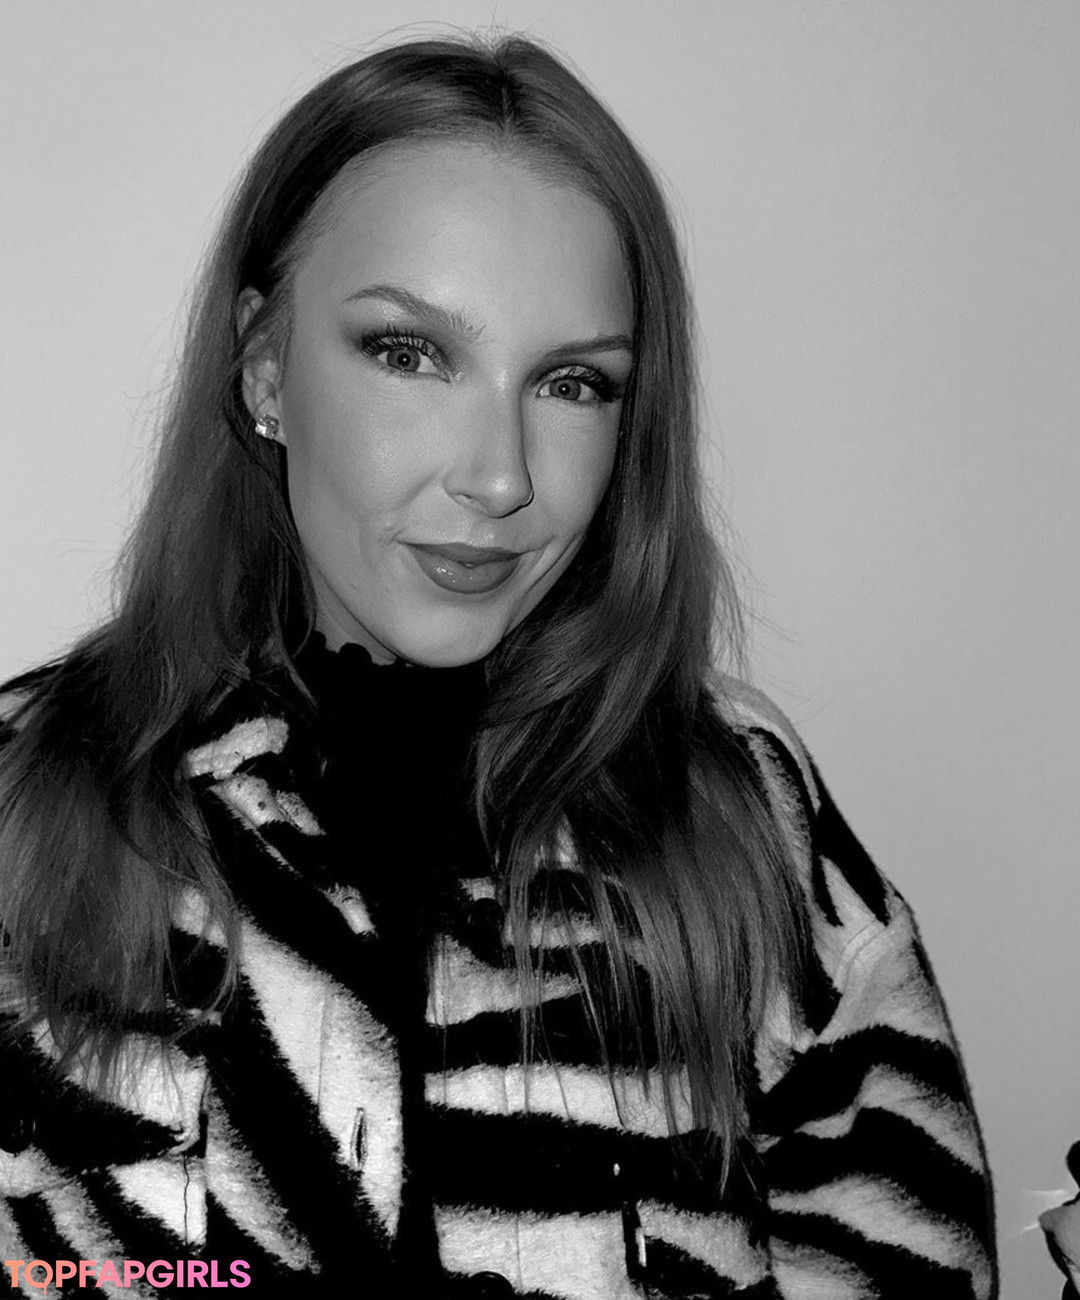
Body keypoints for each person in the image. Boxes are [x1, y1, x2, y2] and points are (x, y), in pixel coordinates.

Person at [0, 33, 997, 1299]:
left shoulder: (740, 813)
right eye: (409, 353)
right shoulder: (30, 802)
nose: (501, 476)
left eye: (573, 382)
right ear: (264, 370)